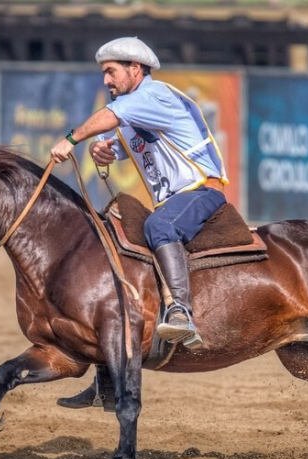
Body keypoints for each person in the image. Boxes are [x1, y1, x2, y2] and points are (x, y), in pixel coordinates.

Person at [50, 36, 228, 361]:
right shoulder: (132, 109)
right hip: (173, 201)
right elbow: (112, 141)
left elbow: (111, 117)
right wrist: (101, 151)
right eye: (104, 73)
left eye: (111, 71)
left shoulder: (154, 95)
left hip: (202, 190)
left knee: (159, 227)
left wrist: (72, 139)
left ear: (135, 69)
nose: (106, 80)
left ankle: (180, 312)